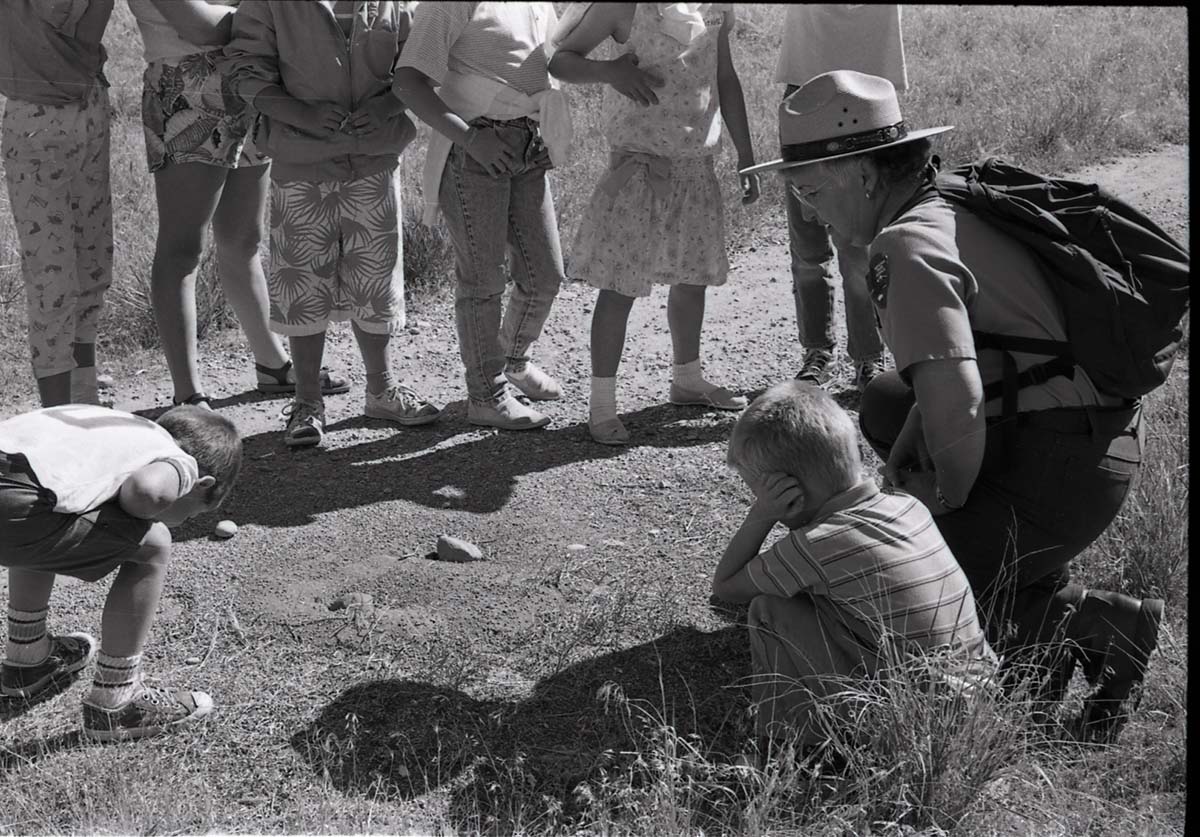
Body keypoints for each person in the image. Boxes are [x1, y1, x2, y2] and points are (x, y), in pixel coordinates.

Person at [743, 70, 1163, 741]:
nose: (811, 211)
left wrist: (933, 502)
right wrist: (917, 439)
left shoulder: (903, 247)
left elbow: (961, 403)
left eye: (812, 190)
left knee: (899, 593)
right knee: (887, 403)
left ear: (863, 174)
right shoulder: (948, 200)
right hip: (1093, 438)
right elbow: (965, 360)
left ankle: (1094, 622)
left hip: (1065, 464)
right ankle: (1026, 583)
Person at [713, 380, 994, 753]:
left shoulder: (816, 544)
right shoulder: (909, 506)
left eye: (759, 493)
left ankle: (793, 749)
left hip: (912, 722)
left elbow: (726, 587)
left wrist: (761, 515)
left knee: (769, 609)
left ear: (789, 492)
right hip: (976, 705)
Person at [221, 0, 441, 448]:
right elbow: (245, 71)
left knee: (376, 281)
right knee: (302, 286)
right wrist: (301, 114)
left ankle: (381, 391)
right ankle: (307, 402)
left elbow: (420, 63)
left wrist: (385, 107)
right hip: (299, 165)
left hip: (376, 162)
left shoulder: (396, 4)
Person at [547, 2, 760, 446]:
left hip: (696, 168)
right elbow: (561, 60)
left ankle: (688, 378)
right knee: (620, 286)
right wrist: (609, 71)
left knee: (692, 278)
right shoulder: (622, 6)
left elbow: (725, 78)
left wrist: (746, 154)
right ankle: (602, 404)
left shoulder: (716, 8)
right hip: (638, 171)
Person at [128, 0, 349, 409]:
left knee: (243, 239)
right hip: (185, 86)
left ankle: (272, 363)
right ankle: (188, 396)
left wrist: (267, 17)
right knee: (182, 250)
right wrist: (274, 15)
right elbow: (201, 26)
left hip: (246, 83)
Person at [0, 404, 241, 740]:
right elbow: (146, 492)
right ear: (201, 484)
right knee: (154, 544)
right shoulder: (178, 459)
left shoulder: (124, 430)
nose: (185, 520)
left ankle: (28, 658)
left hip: (15, 477)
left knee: (60, 504)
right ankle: (116, 700)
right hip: (14, 505)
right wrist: (137, 511)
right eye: (192, 513)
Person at [392, 2, 570, 431]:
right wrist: (472, 139)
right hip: (475, 151)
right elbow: (408, 82)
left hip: (528, 144)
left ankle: (513, 360)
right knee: (483, 281)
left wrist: (547, 129)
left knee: (545, 274)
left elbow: (545, 64)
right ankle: (486, 396)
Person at [775, 5, 905, 391]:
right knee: (808, 249)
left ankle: (868, 356)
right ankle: (818, 352)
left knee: (858, 249)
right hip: (805, 100)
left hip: (864, 104)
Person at [0, 0, 115, 408]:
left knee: (92, 260)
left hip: (81, 105)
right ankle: (59, 417)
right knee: (54, 276)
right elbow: (82, 38)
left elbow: (84, 40)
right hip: (41, 111)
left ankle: (82, 399)